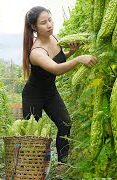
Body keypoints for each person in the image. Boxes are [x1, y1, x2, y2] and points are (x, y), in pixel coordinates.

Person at [22, 6, 97, 171]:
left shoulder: (53, 38)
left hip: (50, 92)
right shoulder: (36, 52)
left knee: (65, 124)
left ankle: (62, 163)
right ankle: (31, 170)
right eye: (43, 23)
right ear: (34, 27)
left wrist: (71, 52)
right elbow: (56, 69)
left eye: (50, 20)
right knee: (33, 135)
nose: (49, 25)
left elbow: (57, 59)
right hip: (33, 95)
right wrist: (79, 59)